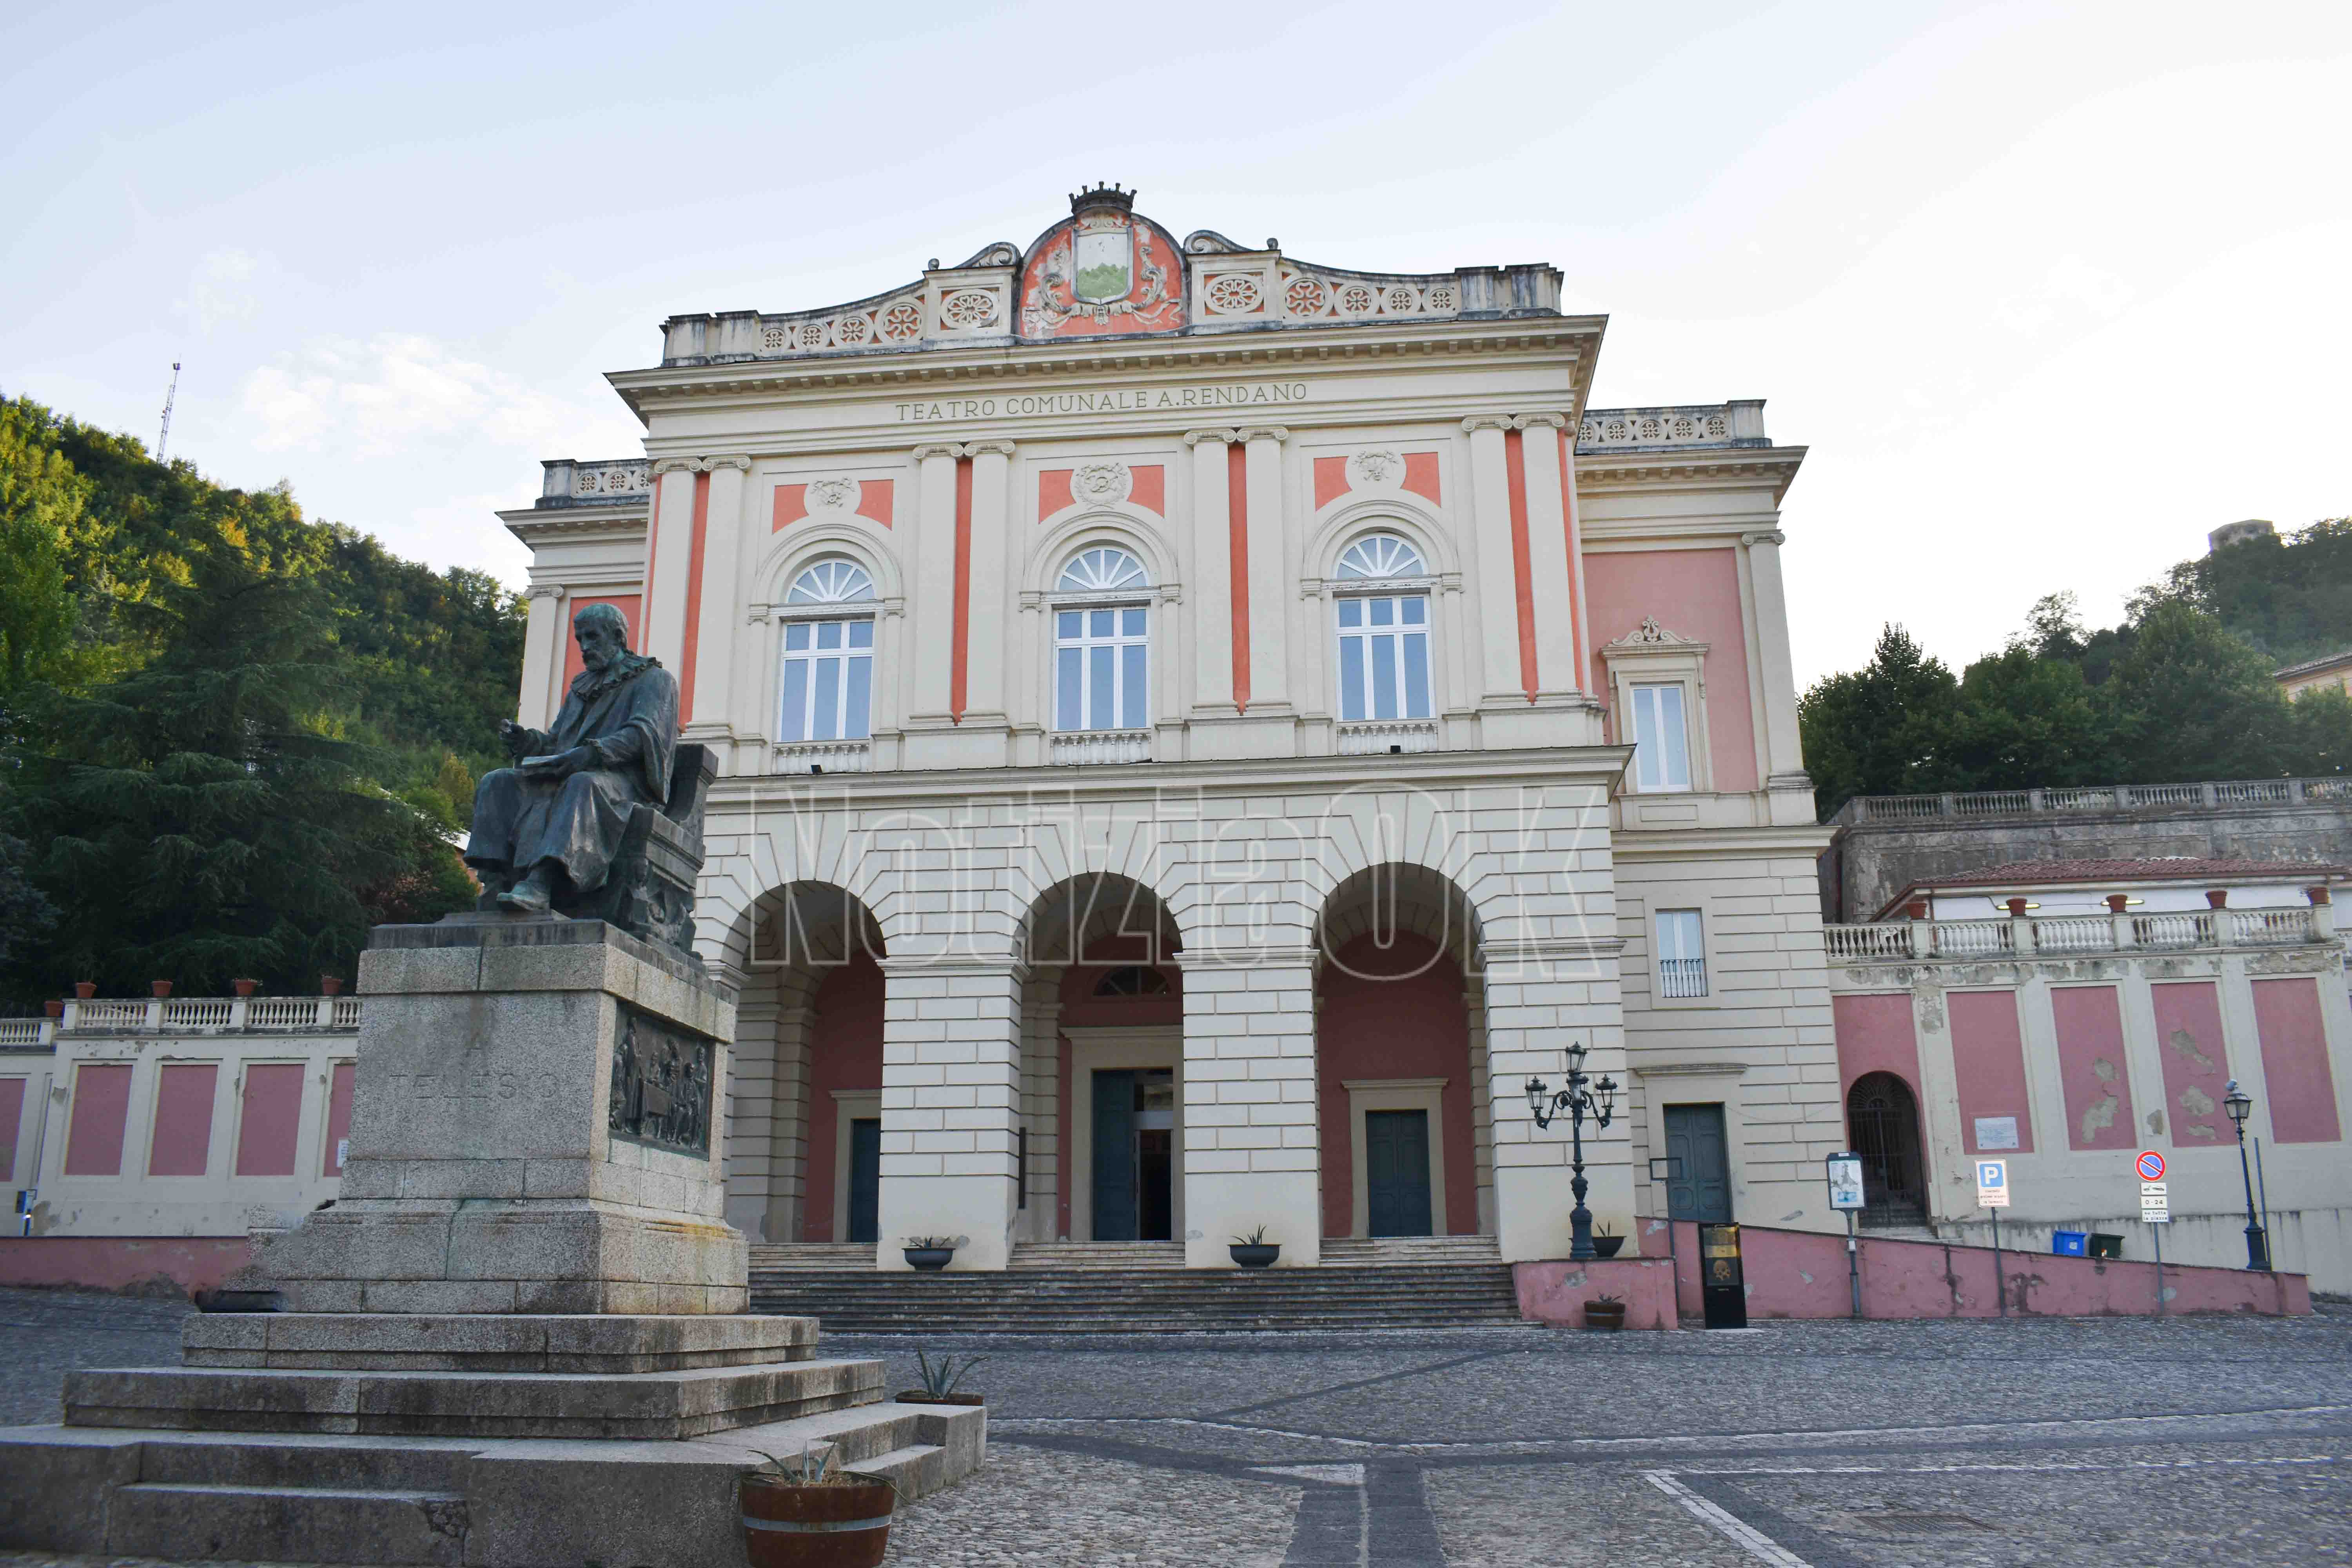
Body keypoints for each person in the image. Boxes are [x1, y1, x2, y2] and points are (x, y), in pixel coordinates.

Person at [465, 603, 679, 913]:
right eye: (580, 639)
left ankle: (541, 882)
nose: (585, 647)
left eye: (593, 637)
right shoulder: (581, 687)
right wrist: (526, 741)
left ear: (618, 636)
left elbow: (645, 734)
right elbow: (557, 741)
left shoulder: (655, 679)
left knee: (582, 784)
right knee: (498, 781)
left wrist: (592, 753)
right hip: (569, 773)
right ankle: (498, 880)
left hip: (627, 783)